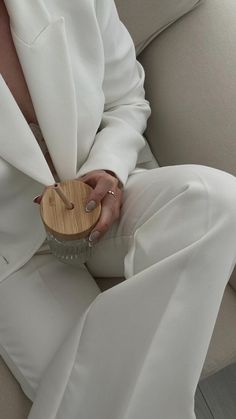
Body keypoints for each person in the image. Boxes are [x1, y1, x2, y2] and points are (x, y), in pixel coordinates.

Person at [0, 0, 236, 418]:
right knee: (104, 402)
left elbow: (127, 98)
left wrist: (107, 166)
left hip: (102, 200)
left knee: (217, 201)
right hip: (13, 255)